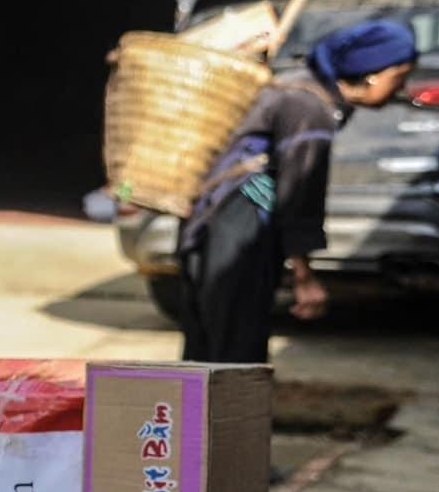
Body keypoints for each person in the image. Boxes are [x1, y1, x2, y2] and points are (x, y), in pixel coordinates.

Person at [177, 19, 417, 363]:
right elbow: (298, 196)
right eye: (400, 77)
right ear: (374, 73)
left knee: (206, 351)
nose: (402, 89)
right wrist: (304, 276)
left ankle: (198, 417)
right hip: (238, 228)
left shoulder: (296, 90)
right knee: (235, 357)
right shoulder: (310, 109)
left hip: (212, 220)